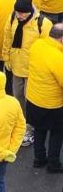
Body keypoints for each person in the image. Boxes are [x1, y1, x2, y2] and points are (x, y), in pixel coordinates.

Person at [4, 0, 50, 147]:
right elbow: (7, 39)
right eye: (17, 13)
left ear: (30, 11)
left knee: (30, 101)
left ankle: (30, 129)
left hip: (33, 71)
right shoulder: (12, 18)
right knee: (18, 98)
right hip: (17, 67)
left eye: (22, 13)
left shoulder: (42, 24)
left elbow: (48, 48)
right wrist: (6, 58)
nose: (19, 16)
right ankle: (20, 125)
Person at [26, 23, 63, 173]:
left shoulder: (37, 45)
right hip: (52, 104)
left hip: (34, 99)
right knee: (57, 133)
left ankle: (39, 159)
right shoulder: (58, 57)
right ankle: (53, 164)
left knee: (39, 130)